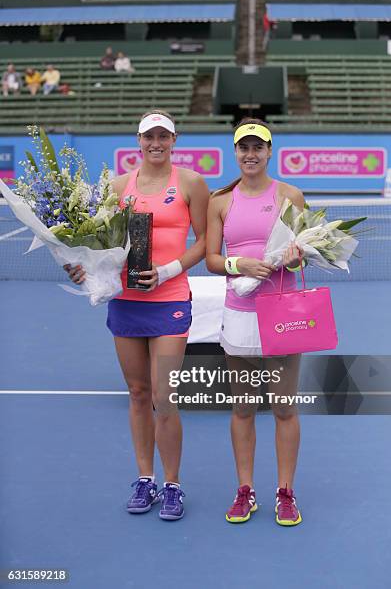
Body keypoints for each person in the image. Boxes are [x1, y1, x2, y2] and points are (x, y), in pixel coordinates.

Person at [64, 110, 209, 521]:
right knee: (138, 394)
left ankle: (173, 484)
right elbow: (98, 244)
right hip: (126, 301)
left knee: (165, 397)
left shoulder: (192, 183)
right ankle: (145, 479)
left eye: (163, 136)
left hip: (171, 299)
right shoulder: (115, 187)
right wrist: (82, 266)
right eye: (149, 137)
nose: (156, 143)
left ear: (174, 139)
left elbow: (203, 242)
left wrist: (167, 270)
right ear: (138, 141)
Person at [206, 118, 305, 526]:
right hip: (239, 315)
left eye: (257, 147)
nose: (250, 154)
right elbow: (212, 259)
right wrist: (238, 263)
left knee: (284, 407)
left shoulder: (290, 195)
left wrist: (297, 256)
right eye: (243, 148)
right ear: (235, 152)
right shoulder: (220, 201)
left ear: (269, 151)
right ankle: (245, 491)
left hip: (282, 315)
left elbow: (306, 250)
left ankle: (285, 492)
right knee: (243, 407)